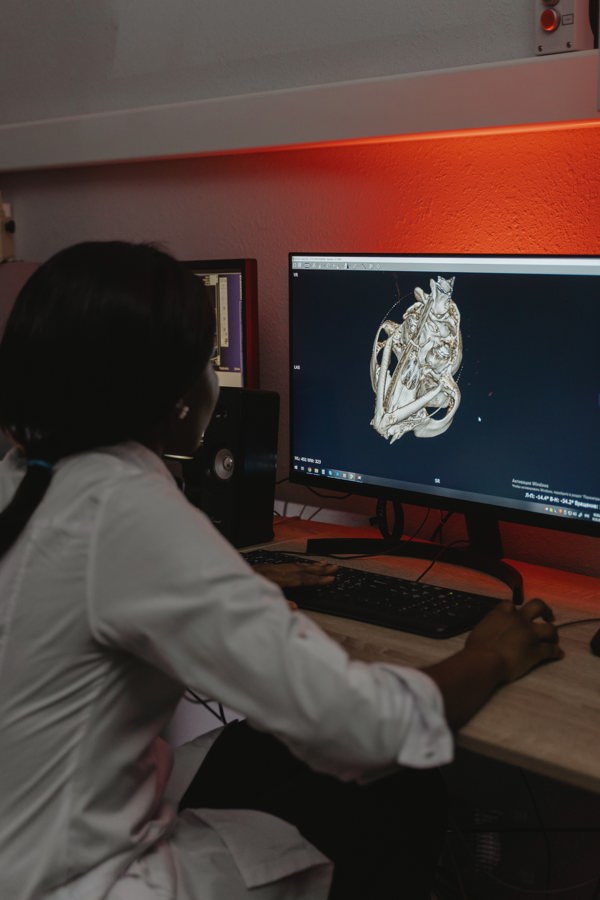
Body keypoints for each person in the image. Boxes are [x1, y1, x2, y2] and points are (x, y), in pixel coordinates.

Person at [0, 241, 563, 900]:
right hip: (74, 878)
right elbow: (365, 729)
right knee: (401, 791)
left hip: (30, 834)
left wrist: (226, 587)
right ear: (176, 396)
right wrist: (490, 657)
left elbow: (70, 591)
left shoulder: (26, 474)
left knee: (260, 749)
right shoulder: (126, 508)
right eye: (206, 359)